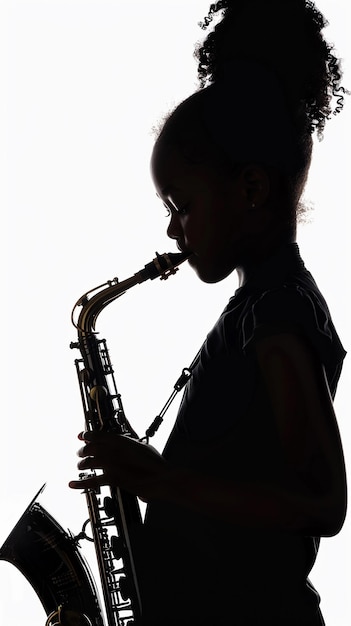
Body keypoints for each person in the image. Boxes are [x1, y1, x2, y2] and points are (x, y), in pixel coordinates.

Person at [69, 1, 347, 624]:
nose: (173, 229)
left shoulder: (275, 315)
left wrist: (159, 480)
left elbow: (324, 503)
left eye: (183, 205)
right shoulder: (255, 310)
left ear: (249, 190)